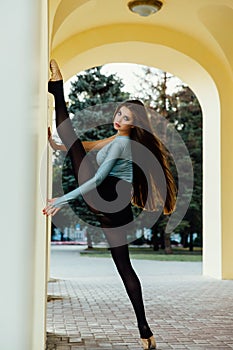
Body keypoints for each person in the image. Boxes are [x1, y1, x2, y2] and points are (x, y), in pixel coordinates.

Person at [43, 59, 176, 350]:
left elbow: (97, 178)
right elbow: (86, 148)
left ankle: (57, 88)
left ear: (134, 123)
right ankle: (145, 331)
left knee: (71, 134)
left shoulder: (121, 144)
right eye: (119, 113)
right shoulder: (119, 140)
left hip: (103, 194)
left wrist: (62, 200)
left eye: (126, 117)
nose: (119, 118)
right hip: (118, 209)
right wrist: (59, 147)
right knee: (125, 267)